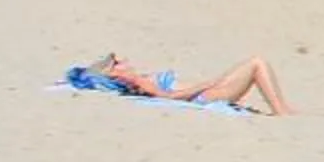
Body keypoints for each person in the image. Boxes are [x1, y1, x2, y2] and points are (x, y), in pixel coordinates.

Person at [93, 51, 295, 115]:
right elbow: (168, 97)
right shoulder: (137, 81)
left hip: (204, 92)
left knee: (255, 63)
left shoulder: (138, 79)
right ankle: (281, 111)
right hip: (202, 96)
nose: (123, 62)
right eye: (117, 63)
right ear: (114, 73)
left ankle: (282, 108)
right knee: (256, 65)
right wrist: (204, 85)